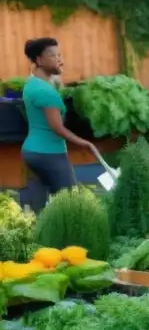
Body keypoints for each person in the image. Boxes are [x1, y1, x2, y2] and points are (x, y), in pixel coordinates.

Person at [21, 38, 99, 209]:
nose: (58, 59)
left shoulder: (32, 83)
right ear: (39, 60)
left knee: (43, 207)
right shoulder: (45, 91)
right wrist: (84, 143)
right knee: (71, 204)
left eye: (59, 55)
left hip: (32, 151)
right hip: (49, 154)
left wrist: (57, 76)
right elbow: (57, 128)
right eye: (52, 55)